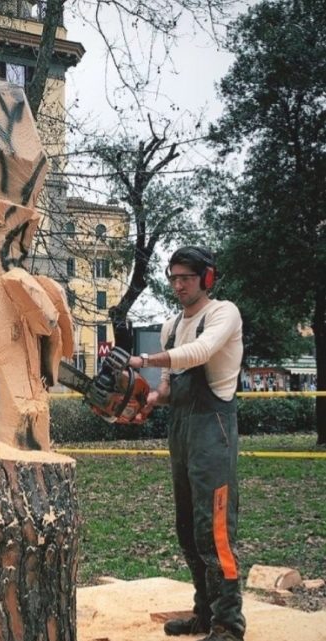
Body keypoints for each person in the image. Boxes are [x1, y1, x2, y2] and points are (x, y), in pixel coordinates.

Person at [128, 246, 246, 641]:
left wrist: (145, 361)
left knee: (215, 532)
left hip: (214, 431)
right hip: (181, 433)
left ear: (206, 278)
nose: (178, 285)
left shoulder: (222, 314)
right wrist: (149, 399)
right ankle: (204, 613)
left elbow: (200, 353)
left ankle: (229, 622)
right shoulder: (172, 326)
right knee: (187, 530)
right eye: (174, 277)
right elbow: (168, 385)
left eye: (187, 278)